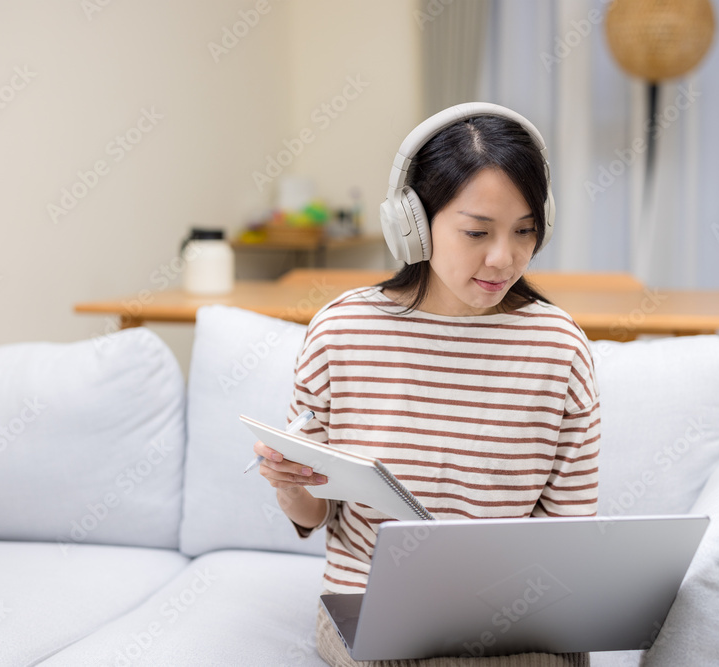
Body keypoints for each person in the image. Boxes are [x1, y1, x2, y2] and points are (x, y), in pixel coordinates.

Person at [253, 103, 601, 667]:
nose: (503, 258)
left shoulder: (558, 346)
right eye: (476, 231)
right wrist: (290, 483)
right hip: (369, 603)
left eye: (524, 231)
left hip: (514, 610)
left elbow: (569, 536)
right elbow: (313, 514)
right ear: (411, 224)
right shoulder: (340, 331)